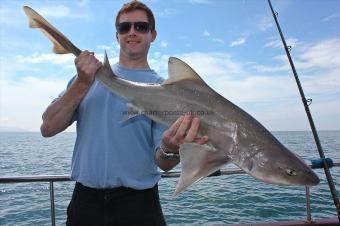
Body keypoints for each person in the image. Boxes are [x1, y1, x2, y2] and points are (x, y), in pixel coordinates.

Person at [40, 1, 208, 225]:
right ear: (117, 35)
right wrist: (81, 83)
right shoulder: (86, 77)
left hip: (139, 205)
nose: (132, 32)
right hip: (85, 202)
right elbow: (48, 127)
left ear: (153, 34)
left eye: (141, 27)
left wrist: (170, 148)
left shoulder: (166, 92)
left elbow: (164, 163)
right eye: (124, 27)